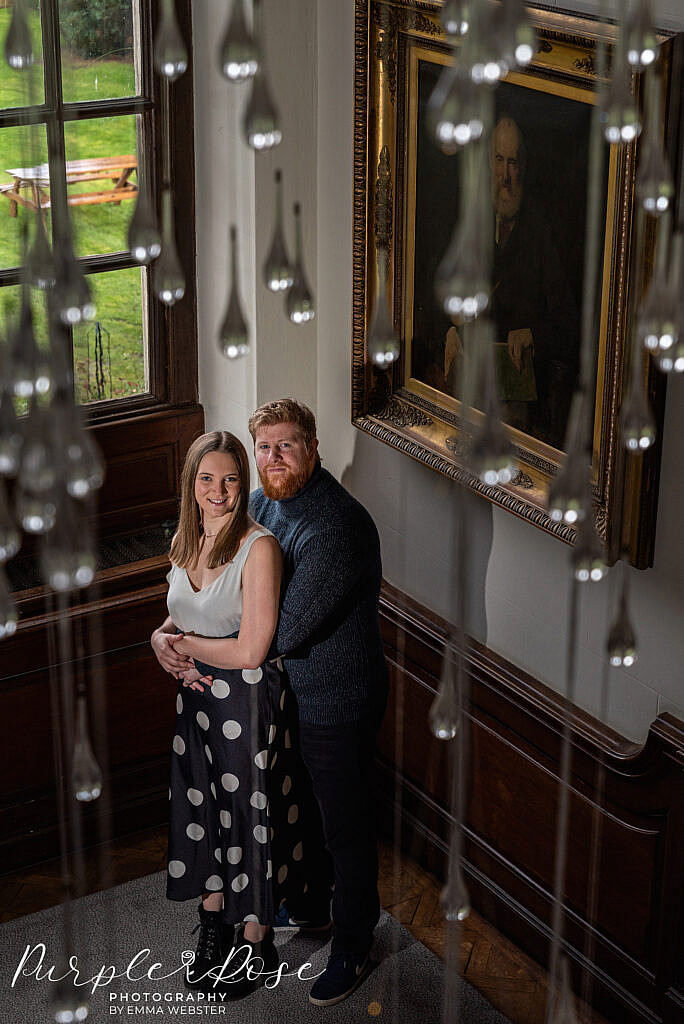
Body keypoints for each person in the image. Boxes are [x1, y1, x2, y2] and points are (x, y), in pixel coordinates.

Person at [150, 431, 305, 997]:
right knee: (204, 807)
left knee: (249, 816)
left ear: (243, 483)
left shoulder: (257, 548)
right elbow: (179, 614)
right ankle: (215, 925)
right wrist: (158, 638)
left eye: (231, 479)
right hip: (194, 701)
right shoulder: (185, 539)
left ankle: (255, 940)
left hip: (245, 701)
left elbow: (250, 650)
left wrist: (184, 646)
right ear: (191, 484)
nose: (219, 492)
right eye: (207, 479)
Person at [247, 397, 389, 1007]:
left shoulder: (338, 525)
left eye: (287, 445)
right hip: (283, 692)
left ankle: (355, 941)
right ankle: (313, 908)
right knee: (295, 806)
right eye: (264, 447)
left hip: (338, 698)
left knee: (344, 828)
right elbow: (232, 579)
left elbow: (287, 627)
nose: (273, 458)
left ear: (313, 448)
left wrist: (203, 637)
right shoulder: (261, 503)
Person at [445, 115, 578, 446]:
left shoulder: (543, 234)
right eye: (499, 160)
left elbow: (570, 325)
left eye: (513, 163)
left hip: (520, 403)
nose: (505, 176)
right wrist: (446, 328)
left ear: (525, 167)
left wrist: (534, 334)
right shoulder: (471, 221)